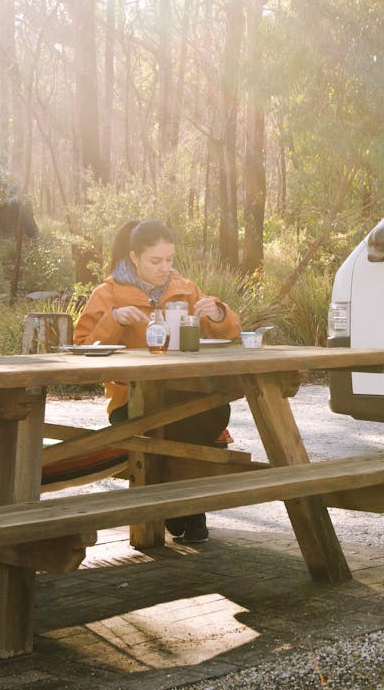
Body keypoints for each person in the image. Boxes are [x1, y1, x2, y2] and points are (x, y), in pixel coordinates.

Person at [75, 219, 241, 544]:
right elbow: (81, 348)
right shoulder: (107, 294)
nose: (165, 268)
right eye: (155, 261)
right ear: (134, 257)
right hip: (131, 404)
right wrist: (114, 320)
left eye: (169, 259)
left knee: (216, 410)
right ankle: (187, 509)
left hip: (187, 399)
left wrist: (219, 314)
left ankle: (178, 507)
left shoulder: (186, 289)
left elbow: (229, 331)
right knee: (191, 420)